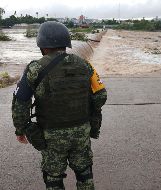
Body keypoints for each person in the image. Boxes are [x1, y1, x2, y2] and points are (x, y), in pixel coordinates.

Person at [12, 21, 107, 189]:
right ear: (66, 43)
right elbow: (101, 96)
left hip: (51, 136)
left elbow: (20, 104)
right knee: (84, 173)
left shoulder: (34, 69)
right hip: (81, 132)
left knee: (53, 178)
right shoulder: (85, 65)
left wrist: (21, 130)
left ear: (41, 44)